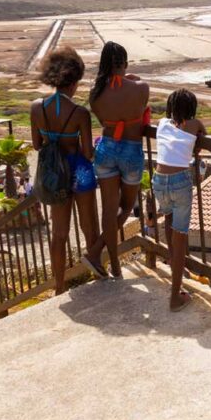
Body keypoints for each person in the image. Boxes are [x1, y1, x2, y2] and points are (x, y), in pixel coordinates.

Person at [29, 46, 100, 295]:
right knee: (89, 226)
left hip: (54, 174)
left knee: (58, 233)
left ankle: (59, 287)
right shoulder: (81, 113)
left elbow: (37, 145)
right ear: (74, 80)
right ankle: (98, 273)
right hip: (79, 171)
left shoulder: (37, 107)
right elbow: (88, 153)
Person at [85, 41, 150, 280]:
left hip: (107, 149)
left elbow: (104, 119)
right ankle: (95, 252)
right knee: (126, 207)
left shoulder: (95, 94)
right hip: (131, 150)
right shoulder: (141, 88)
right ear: (124, 63)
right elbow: (140, 106)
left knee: (109, 210)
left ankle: (112, 264)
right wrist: (132, 79)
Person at [153, 89, 206, 312]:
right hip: (179, 181)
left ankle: (176, 269)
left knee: (169, 223)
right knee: (181, 235)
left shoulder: (162, 122)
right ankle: (175, 296)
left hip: (159, 180)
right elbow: (200, 141)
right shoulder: (195, 125)